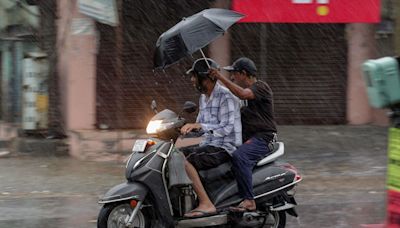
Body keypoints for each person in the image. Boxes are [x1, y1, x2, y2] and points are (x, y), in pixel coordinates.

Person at [209, 57, 277, 212]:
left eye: (234, 73)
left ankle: (249, 200)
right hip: (248, 138)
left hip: (263, 137)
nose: (232, 77)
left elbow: (243, 94)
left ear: (243, 73)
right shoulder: (240, 96)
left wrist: (220, 77)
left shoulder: (260, 87)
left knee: (240, 156)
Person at [180, 58, 242, 218]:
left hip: (225, 147)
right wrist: (182, 128)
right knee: (176, 154)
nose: (192, 80)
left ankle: (206, 203)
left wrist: (200, 126)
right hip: (210, 144)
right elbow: (200, 125)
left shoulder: (225, 96)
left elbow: (227, 128)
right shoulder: (204, 97)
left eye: (194, 76)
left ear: (206, 77)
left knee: (186, 159)